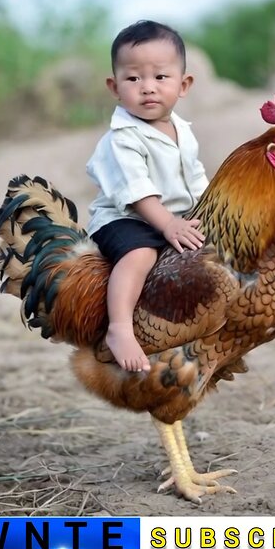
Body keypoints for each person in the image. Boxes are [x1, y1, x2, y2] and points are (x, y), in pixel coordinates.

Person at [85, 20, 210, 373]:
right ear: (114, 86)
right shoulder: (122, 138)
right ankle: (120, 327)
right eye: (133, 78)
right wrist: (169, 224)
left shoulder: (182, 129)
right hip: (124, 220)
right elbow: (138, 194)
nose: (147, 88)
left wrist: (210, 210)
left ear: (183, 85)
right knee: (141, 255)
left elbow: (195, 177)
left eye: (160, 77)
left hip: (171, 217)